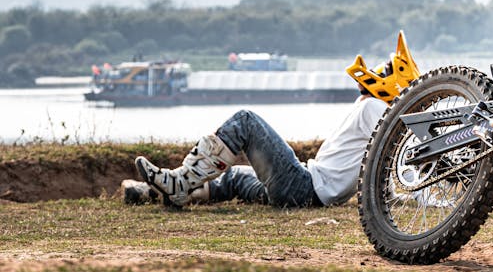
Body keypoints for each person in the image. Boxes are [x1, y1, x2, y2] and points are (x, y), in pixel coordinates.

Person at [126, 91, 386, 208]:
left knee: (246, 121)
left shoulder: (371, 110)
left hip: (305, 187)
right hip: (309, 189)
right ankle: (152, 191)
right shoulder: (369, 112)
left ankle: (180, 184)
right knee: (235, 177)